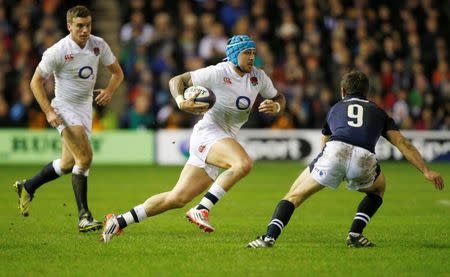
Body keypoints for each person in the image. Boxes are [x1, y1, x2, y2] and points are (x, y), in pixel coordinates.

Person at [102, 35, 286, 242]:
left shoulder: (258, 77)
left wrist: (276, 106)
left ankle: (118, 221)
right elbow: (176, 81)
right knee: (243, 164)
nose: (252, 57)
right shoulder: (217, 72)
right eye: (247, 53)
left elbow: (278, 97)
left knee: (177, 198)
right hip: (209, 133)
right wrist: (181, 101)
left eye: (253, 52)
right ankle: (202, 209)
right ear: (234, 55)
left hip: (223, 138)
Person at [247, 70, 445, 248]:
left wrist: (329, 170)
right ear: (367, 92)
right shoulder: (378, 112)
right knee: (378, 189)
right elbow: (403, 143)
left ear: (343, 91)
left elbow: (324, 141)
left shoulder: (336, 108)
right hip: (364, 158)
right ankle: (355, 234)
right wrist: (426, 171)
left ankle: (268, 238)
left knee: (293, 196)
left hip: (335, 151)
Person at [13, 6, 124, 232]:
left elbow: (117, 73)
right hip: (63, 107)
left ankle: (28, 186)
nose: (85, 30)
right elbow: (35, 82)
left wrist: (110, 91)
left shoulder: (98, 44)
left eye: (88, 25)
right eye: (80, 26)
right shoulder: (58, 51)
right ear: (69, 26)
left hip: (84, 108)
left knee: (67, 164)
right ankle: (84, 216)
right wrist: (49, 112)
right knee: (85, 158)